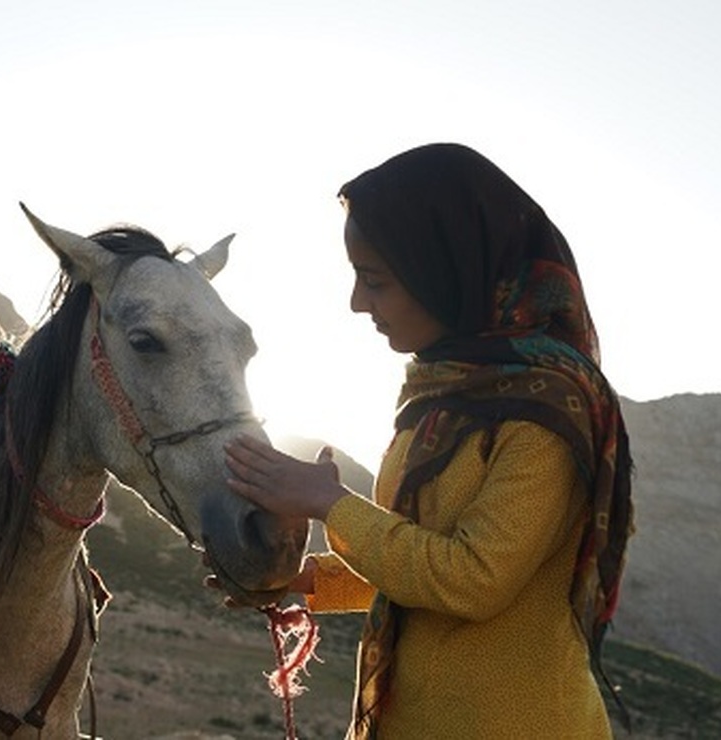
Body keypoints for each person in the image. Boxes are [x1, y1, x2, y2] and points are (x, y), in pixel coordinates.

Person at [222, 143, 635, 739]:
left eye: (376, 282)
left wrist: (328, 504)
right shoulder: (438, 394)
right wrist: (298, 580)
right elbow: (414, 566)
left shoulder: (546, 414)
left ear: (444, 271)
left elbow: (471, 579)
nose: (358, 303)